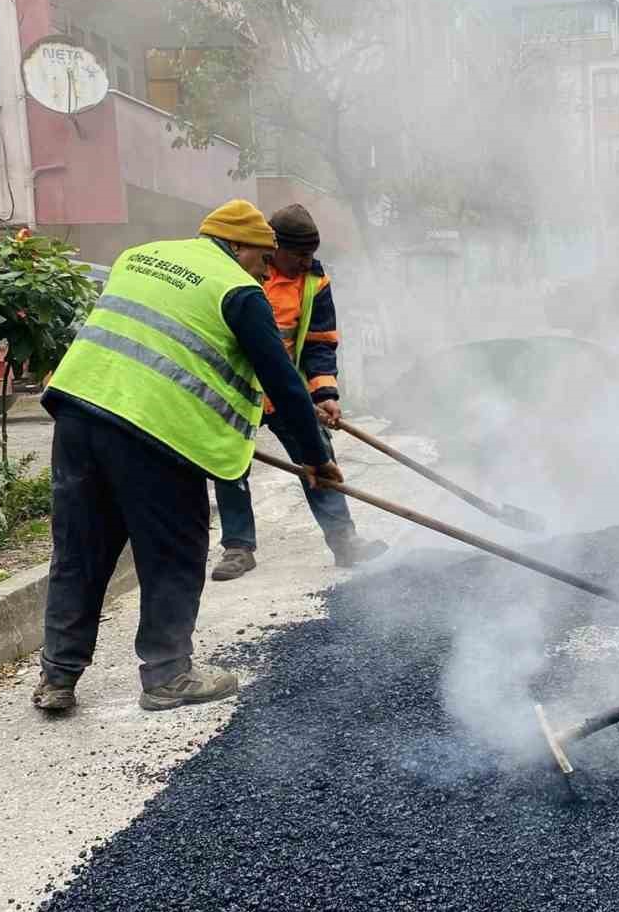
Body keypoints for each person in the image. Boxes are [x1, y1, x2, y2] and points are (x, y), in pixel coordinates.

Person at [32, 199, 342, 715]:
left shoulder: (140, 256)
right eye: (263, 258)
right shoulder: (239, 291)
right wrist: (315, 457)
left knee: (80, 552)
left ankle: (58, 676)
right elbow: (282, 382)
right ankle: (168, 674)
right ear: (238, 246)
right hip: (154, 431)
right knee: (174, 551)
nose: (268, 270)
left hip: (77, 414)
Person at [210, 204, 385, 581]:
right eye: (300, 255)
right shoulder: (242, 272)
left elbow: (321, 341)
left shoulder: (315, 282)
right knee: (230, 462)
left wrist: (325, 394)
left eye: (312, 255)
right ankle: (239, 548)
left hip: (286, 389)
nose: (307, 262)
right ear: (275, 248)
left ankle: (344, 541)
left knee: (319, 455)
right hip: (239, 389)